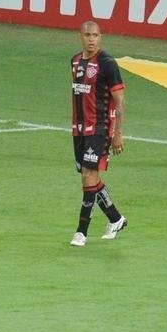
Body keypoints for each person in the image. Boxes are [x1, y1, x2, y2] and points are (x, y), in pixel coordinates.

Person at [69, 20, 128, 246]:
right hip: (79, 130)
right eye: (87, 35)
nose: (91, 39)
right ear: (80, 36)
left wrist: (118, 133)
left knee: (88, 177)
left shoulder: (107, 63)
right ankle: (116, 218)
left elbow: (120, 101)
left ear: (100, 37)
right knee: (90, 179)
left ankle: (81, 232)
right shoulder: (74, 61)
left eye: (95, 35)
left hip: (100, 129)